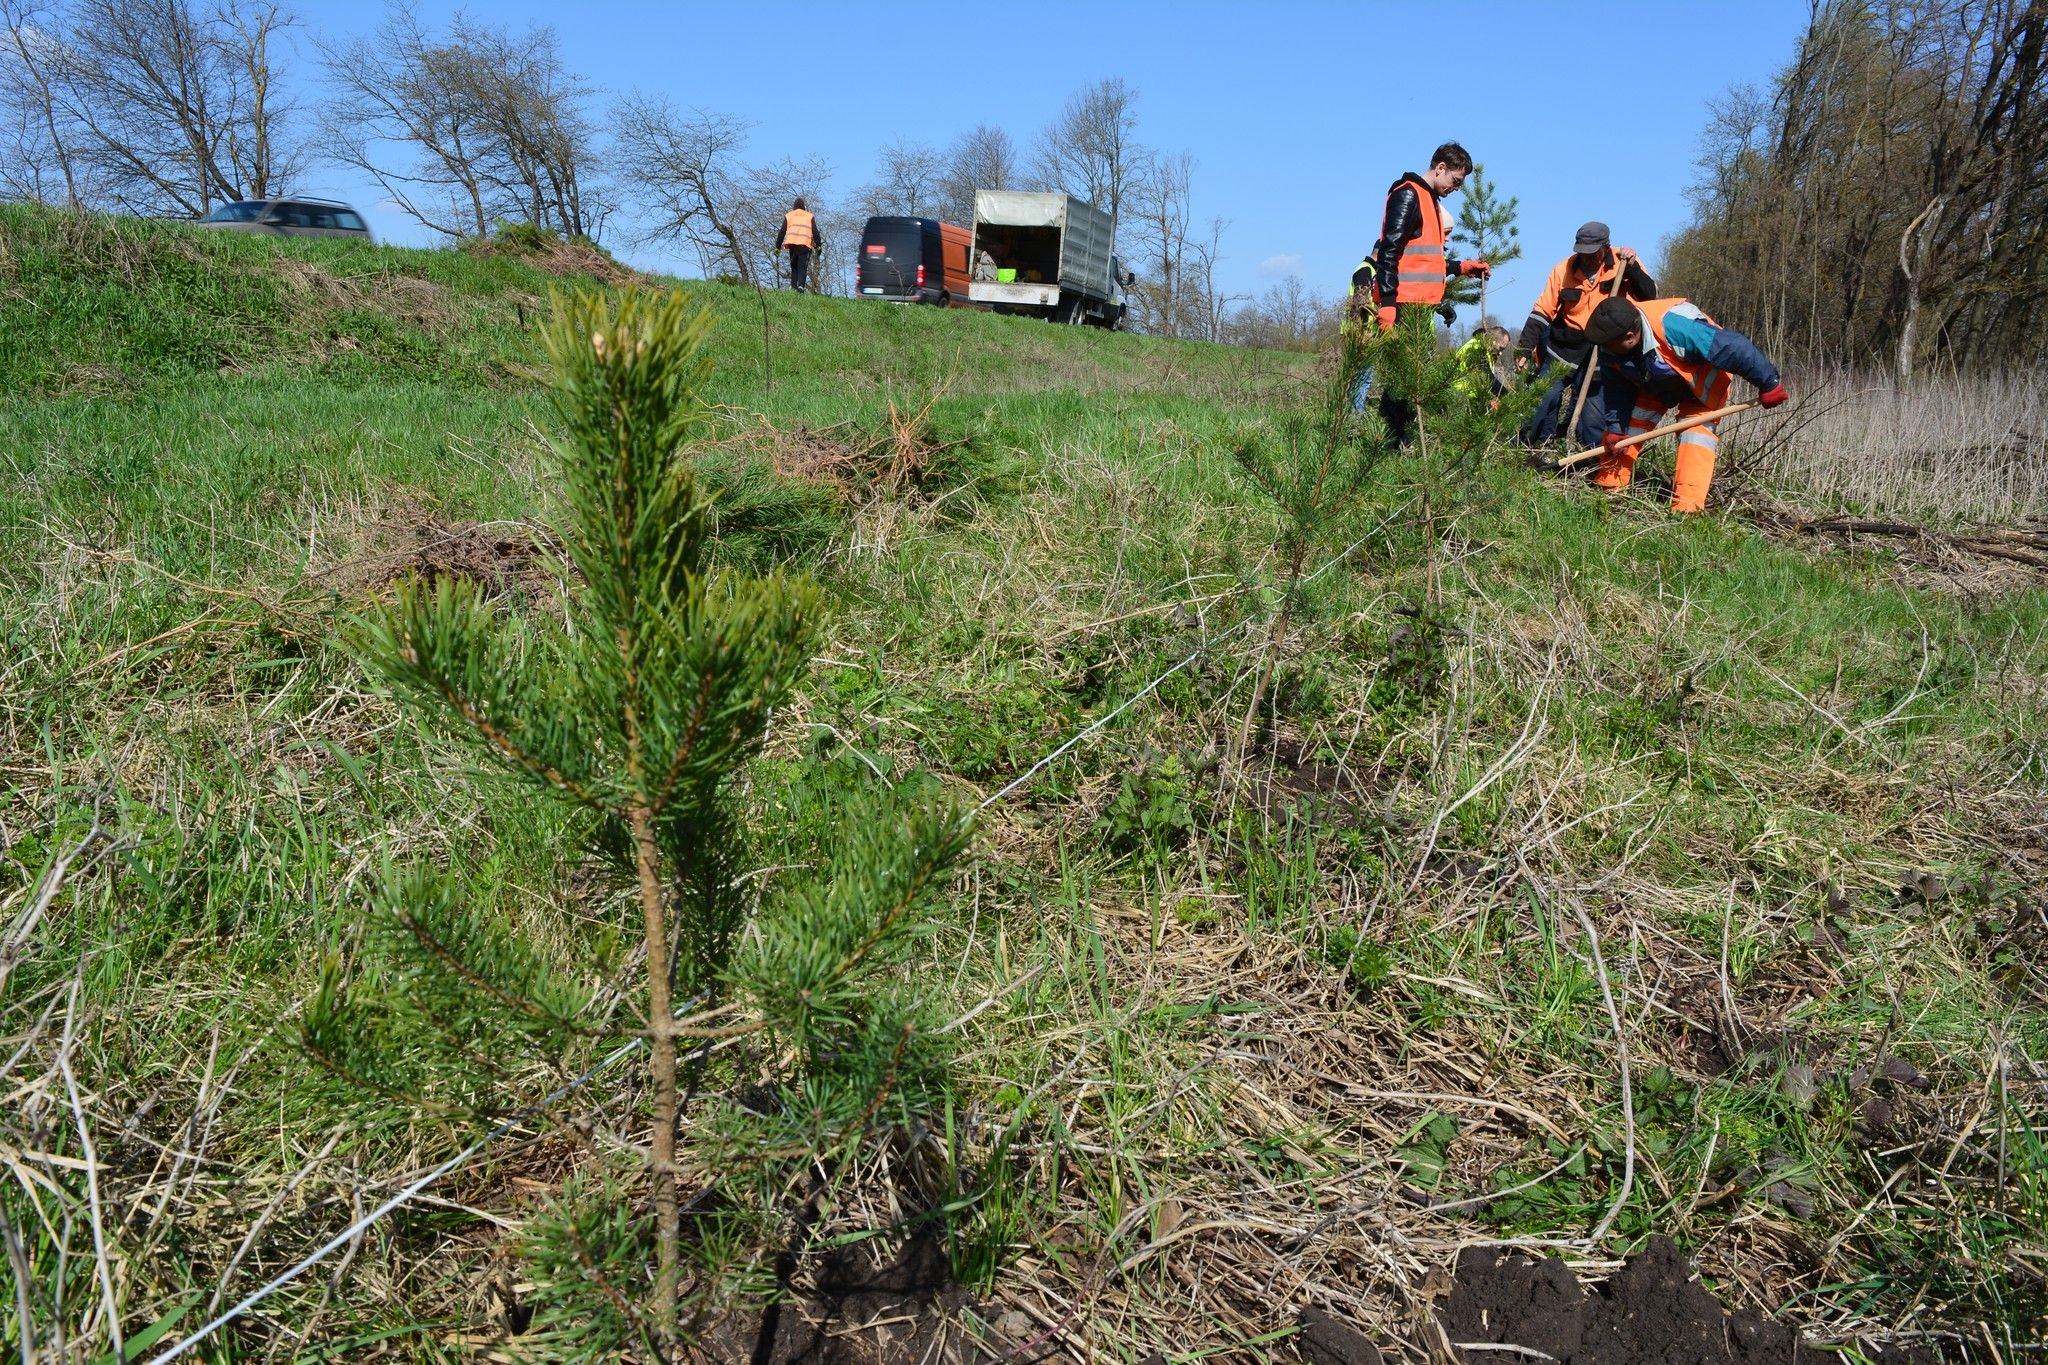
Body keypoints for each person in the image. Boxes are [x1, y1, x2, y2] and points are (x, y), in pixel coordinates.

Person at [1581, 297, 1789, 514]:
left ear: (1630, 337)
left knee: (1695, 438)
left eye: (1607, 345)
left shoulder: (1677, 328)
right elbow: (1616, 389)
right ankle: (1607, 493)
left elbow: (1735, 348)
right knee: (1624, 435)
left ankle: (1685, 511)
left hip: (1701, 389)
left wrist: (1769, 383)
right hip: (1654, 384)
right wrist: (1615, 428)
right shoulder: (1610, 343)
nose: (1603, 349)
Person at [1372, 142, 1491, 446]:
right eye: (1455, 180)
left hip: (1418, 307)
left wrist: (1460, 267)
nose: (1456, 188)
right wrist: (1387, 304)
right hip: (1400, 305)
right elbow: (1389, 251)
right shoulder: (1409, 194)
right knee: (1401, 381)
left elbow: (1422, 258)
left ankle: (1399, 442)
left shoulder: (1430, 200)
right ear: (1440, 168)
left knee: (1410, 380)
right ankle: (1389, 445)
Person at [1517, 222, 1656, 447]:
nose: (1587, 258)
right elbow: (1542, 311)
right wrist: (1525, 345)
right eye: (1582, 252)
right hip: (1563, 349)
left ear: (1606, 247)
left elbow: (1649, 297)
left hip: (1604, 351)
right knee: (1543, 398)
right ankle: (1527, 447)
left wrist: (1632, 270)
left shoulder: (1624, 264)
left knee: (1593, 416)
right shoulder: (1563, 270)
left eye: (1593, 253)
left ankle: (1588, 463)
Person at [1453, 325, 1512, 405]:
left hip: (1467, 397)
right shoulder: (1476, 348)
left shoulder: (1484, 350)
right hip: (1458, 396)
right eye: (1501, 348)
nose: (1501, 353)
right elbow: (1487, 376)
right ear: (1492, 340)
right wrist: (1507, 397)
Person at [776, 197, 820, 292]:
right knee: (802, 266)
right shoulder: (809, 216)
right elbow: (815, 231)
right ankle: (800, 286)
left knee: (794, 266)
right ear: (804, 207)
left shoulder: (789, 215)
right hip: (804, 244)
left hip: (792, 243)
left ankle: (793, 287)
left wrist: (777, 247)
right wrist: (818, 245)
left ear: (794, 207)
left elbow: (782, 231)